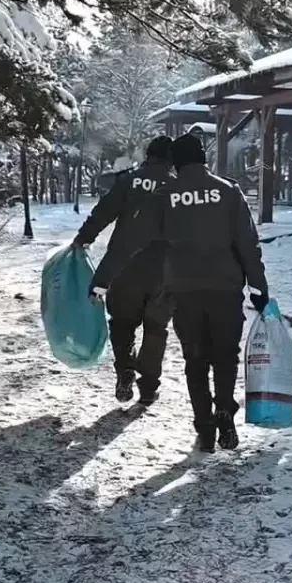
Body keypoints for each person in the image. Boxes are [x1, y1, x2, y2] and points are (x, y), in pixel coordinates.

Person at [158, 133, 269, 452]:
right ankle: (224, 410)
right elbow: (248, 243)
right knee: (225, 355)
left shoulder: (166, 195)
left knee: (195, 360)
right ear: (203, 159)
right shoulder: (228, 190)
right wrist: (258, 287)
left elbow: (150, 242)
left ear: (177, 163)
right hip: (225, 289)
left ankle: (204, 427)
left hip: (185, 290)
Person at [71, 136, 173, 406]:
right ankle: (149, 387)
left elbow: (103, 212)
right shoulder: (178, 187)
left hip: (125, 266)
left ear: (148, 155)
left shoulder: (129, 181)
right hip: (164, 271)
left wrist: (83, 238)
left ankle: (125, 369)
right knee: (156, 328)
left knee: (123, 323)